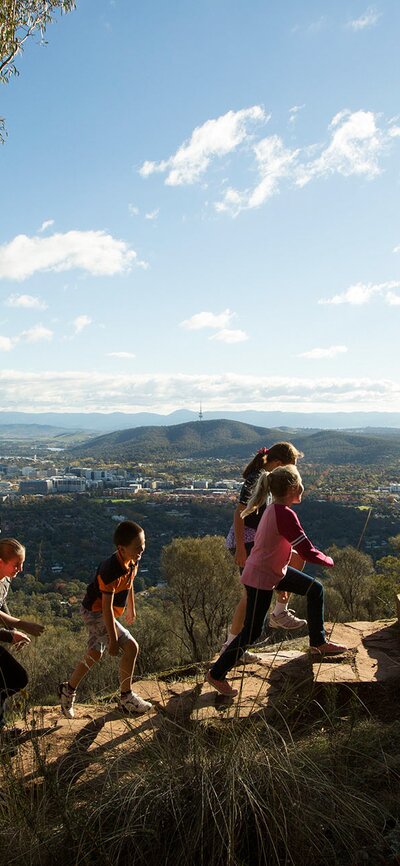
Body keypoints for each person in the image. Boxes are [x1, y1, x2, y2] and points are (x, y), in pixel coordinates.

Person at [207, 466, 347, 696]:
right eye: (300, 483)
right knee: (252, 631)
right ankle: (216, 673)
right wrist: (330, 561)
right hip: (262, 576)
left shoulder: (274, 509)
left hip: (271, 571)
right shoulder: (284, 513)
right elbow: (307, 550)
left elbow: (285, 548)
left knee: (315, 589)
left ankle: (318, 643)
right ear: (293, 488)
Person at [221, 443, 307, 662]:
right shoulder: (256, 478)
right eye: (290, 468)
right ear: (278, 464)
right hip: (247, 540)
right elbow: (239, 515)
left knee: (297, 557)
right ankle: (231, 647)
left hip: (259, 539)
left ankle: (279, 611)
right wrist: (240, 548)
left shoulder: (269, 478)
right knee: (250, 596)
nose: (292, 473)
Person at [59, 520, 152, 718]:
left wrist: (131, 607)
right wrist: (113, 639)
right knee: (131, 647)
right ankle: (126, 698)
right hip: (94, 612)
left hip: (103, 612)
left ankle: (68, 690)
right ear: (122, 548)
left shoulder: (132, 559)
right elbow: (106, 609)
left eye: (143, 545)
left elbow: (130, 581)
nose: (142, 549)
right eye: (137, 547)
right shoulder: (109, 571)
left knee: (94, 653)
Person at [0, 538, 45, 729]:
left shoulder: (5, 579)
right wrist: (11, 634)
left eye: (22, 563)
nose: (20, 569)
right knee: (16, 677)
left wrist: (13, 628)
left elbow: (1, 604)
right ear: (0, 562)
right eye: (16, 564)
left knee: (10, 679)